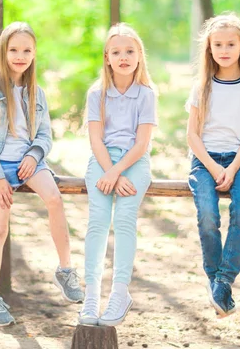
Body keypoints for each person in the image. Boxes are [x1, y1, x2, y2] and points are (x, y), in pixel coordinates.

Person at [0, 21, 83, 327]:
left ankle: (65, 270)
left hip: (28, 161)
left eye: (26, 50)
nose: (20, 56)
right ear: (3, 51)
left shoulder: (37, 92)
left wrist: (34, 155)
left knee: (54, 199)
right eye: (14, 50)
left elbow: (45, 135)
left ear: (34, 53)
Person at [186, 13, 240, 318]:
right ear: (209, 48)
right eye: (217, 44)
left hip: (239, 161)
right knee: (208, 214)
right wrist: (211, 166)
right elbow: (192, 135)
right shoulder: (201, 88)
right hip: (204, 160)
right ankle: (214, 278)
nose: (224, 49)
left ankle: (224, 280)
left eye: (230, 44)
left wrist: (232, 169)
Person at [79, 23, 157, 327]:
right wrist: (109, 171)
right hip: (102, 160)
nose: (123, 57)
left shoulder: (146, 94)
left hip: (133, 162)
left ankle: (120, 293)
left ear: (139, 56)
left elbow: (142, 143)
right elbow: (96, 139)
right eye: (116, 52)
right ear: (107, 58)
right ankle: (91, 296)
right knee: (98, 221)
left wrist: (118, 172)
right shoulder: (97, 93)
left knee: (124, 219)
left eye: (129, 51)